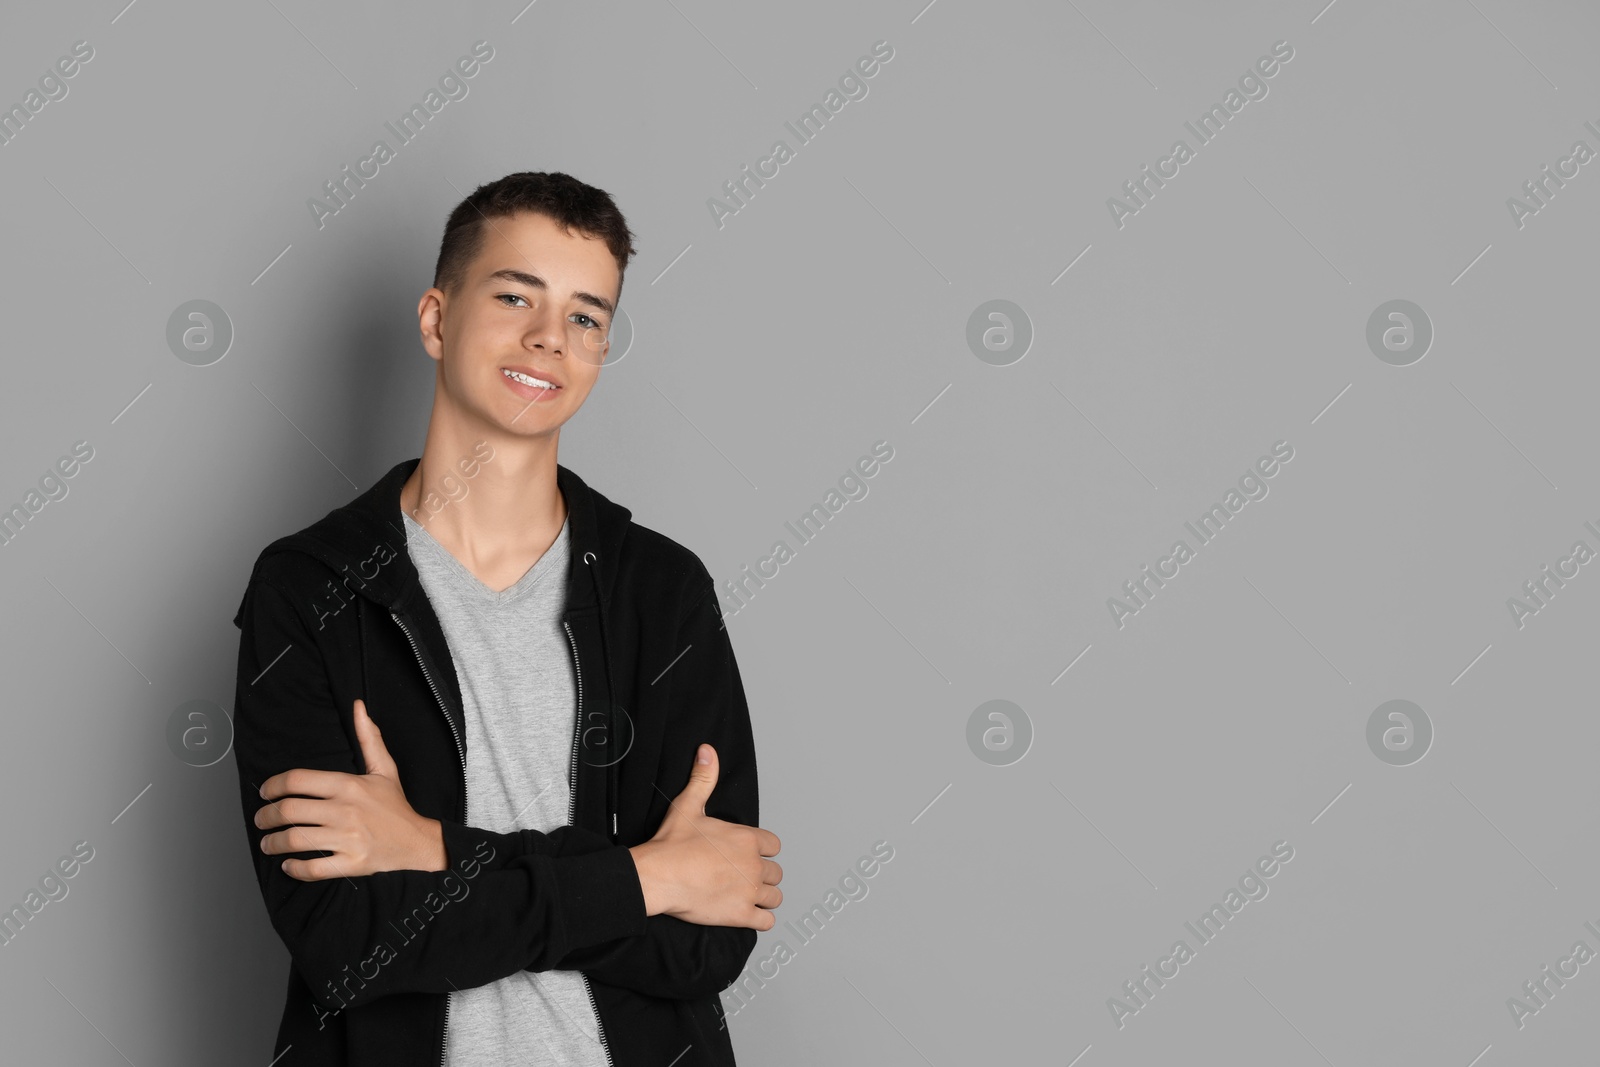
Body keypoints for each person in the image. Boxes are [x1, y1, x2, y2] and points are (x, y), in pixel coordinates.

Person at [230, 171, 782, 1066]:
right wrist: (646, 877)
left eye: (585, 316)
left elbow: (707, 939)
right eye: (516, 295)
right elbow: (341, 940)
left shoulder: (664, 592)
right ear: (436, 319)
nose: (547, 339)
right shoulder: (311, 587)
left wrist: (427, 847)